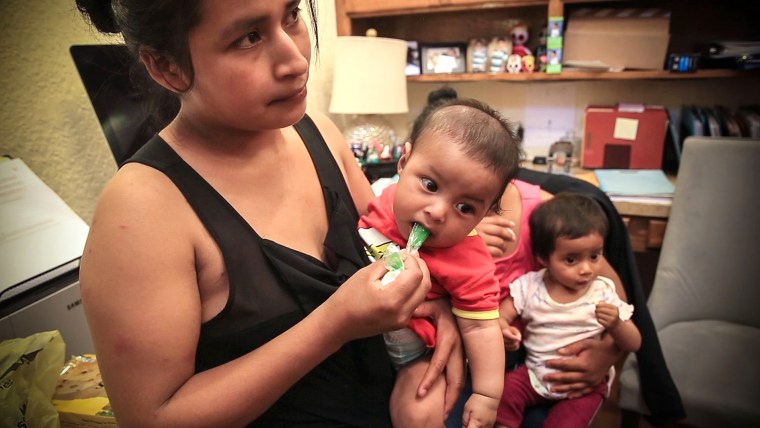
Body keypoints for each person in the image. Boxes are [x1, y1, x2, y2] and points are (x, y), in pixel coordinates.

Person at [73, 1, 465, 426]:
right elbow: (153, 418)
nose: (296, 61)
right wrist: (332, 326)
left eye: (292, 15)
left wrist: (431, 303)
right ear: (168, 67)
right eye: (250, 37)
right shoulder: (139, 211)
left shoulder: (319, 132)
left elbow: (387, 242)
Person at [358, 98, 522, 428]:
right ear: (403, 163)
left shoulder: (470, 262)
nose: (438, 212)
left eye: (465, 208)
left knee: (420, 412)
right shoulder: (383, 200)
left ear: (485, 214)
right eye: (430, 186)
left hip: (416, 353)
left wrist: (487, 395)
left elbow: (481, 326)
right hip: (357, 339)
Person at [495, 193, 642, 428]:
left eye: (595, 256)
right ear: (544, 258)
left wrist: (617, 325)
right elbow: (502, 314)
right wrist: (502, 328)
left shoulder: (603, 291)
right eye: (571, 260)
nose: (586, 269)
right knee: (504, 392)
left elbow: (634, 343)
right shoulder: (531, 285)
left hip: (583, 388)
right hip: (533, 376)